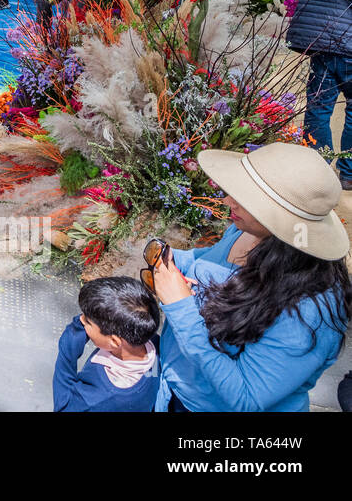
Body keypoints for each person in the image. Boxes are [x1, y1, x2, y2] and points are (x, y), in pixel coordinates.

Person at [148, 143, 350, 412]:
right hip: (178, 389)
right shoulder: (249, 231)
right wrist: (175, 260)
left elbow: (246, 398)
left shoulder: (311, 312)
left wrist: (181, 307)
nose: (227, 201)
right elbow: (212, 259)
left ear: (283, 221)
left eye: (246, 200)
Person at [285, 0, 352, 190]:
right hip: (348, 47)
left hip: (319, 45)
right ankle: (349, 173)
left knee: (318, 108)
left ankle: (317, 171)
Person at [53, 277, 160, 412]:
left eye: (87, 321)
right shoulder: (154, 344)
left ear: (114, 341)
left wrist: (67, 350)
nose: (80, 320)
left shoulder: (96, 399)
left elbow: (63, 406)